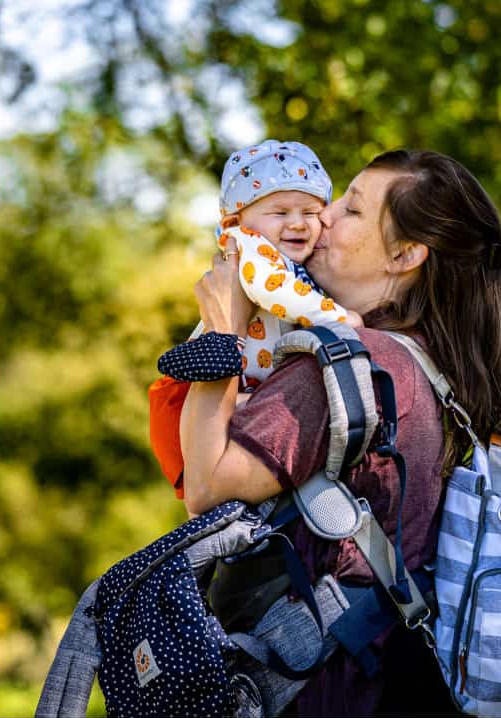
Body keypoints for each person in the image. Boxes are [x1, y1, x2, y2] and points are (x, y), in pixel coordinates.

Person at [180, 149, 501, 716]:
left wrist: (221, 335)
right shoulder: (446, 374)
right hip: (401, 683)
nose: (321, 219)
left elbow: (206, 487)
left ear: (404, 255)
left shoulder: (347, 367)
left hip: (326, 691)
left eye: (349, 209)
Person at [148, 140, 358, 497]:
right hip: (205, 390)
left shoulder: (290, 260)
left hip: (244, 386)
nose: (297, 223)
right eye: (280, 213)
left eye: (310, 213)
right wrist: (339, 318)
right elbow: (273, 289)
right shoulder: (249, 247)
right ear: (235, 220)